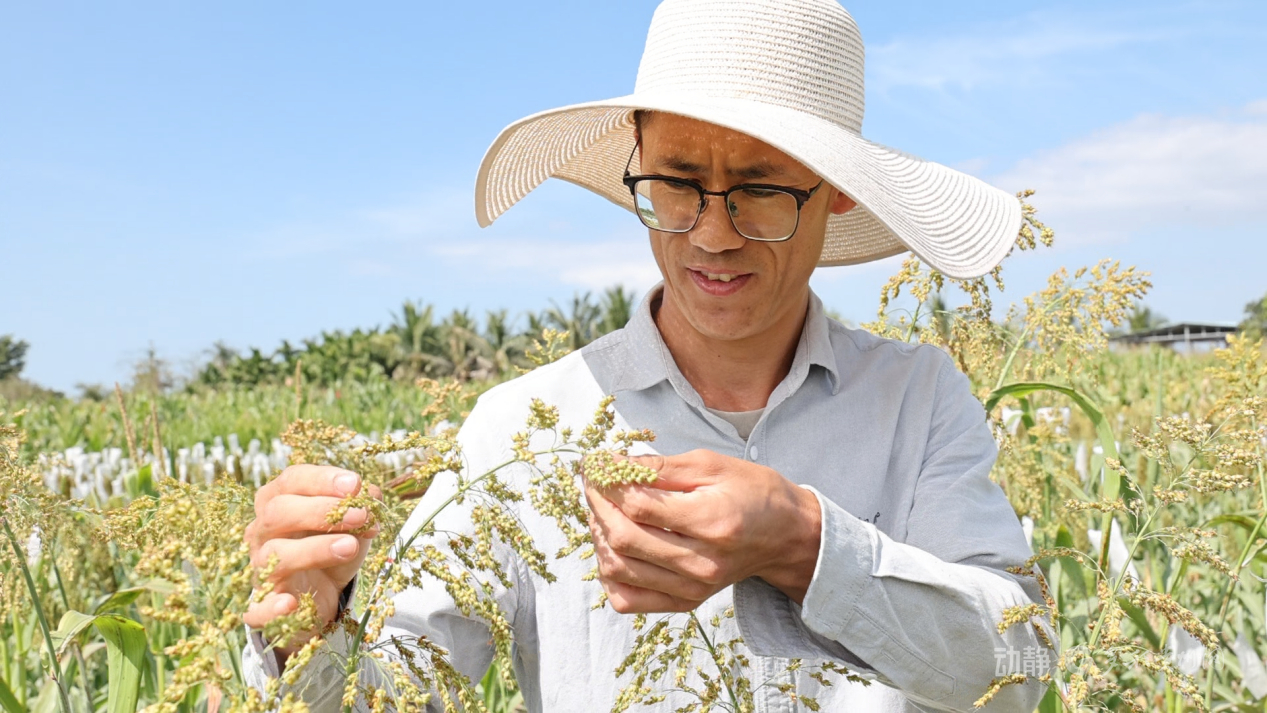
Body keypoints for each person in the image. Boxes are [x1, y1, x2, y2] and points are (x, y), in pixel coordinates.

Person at [242, 0, 1054, 710]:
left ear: (835, 189)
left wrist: (804, 544)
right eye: (676, 182)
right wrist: (307, 632)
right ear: (636, 155)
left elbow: (1020, 670)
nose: (712, 234)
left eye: (759, 188)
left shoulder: (916, 398)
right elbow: (396, 695)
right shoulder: (523, 430)